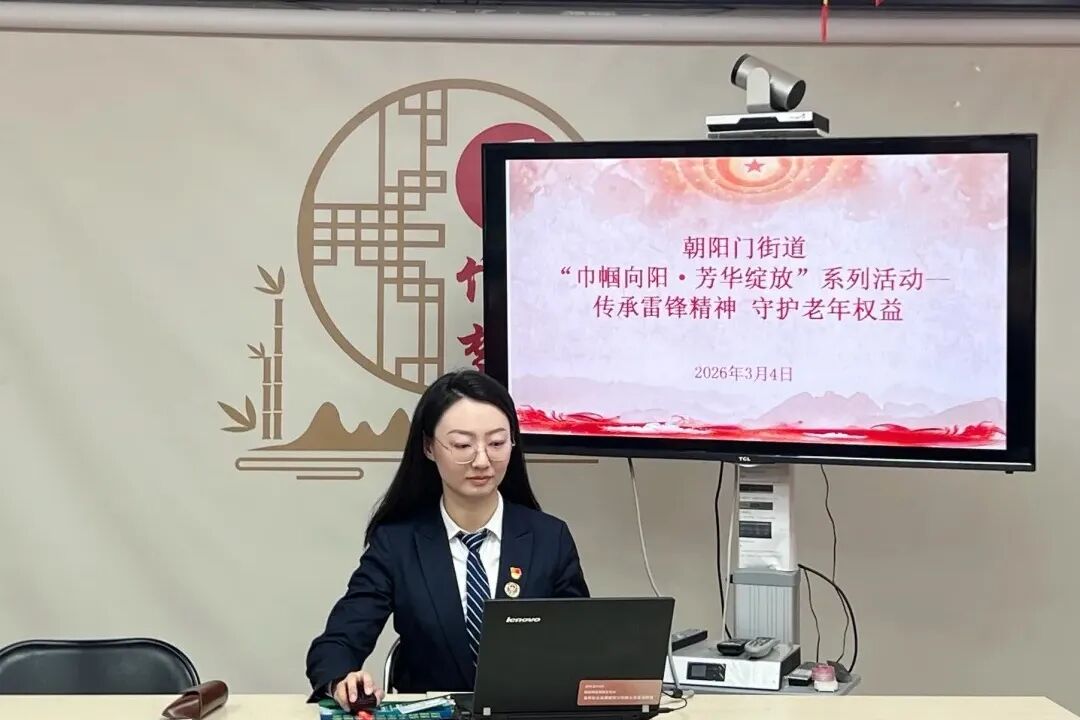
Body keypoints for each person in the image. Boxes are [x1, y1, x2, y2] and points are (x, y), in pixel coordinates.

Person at [306, 369, 590, 708]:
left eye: (497, 443)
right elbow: (337, 643)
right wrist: (343, 680)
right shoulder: (398, 543)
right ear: (429, 447)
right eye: (462, 445)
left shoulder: (549, 538)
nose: (482, 460)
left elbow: (582, 647)